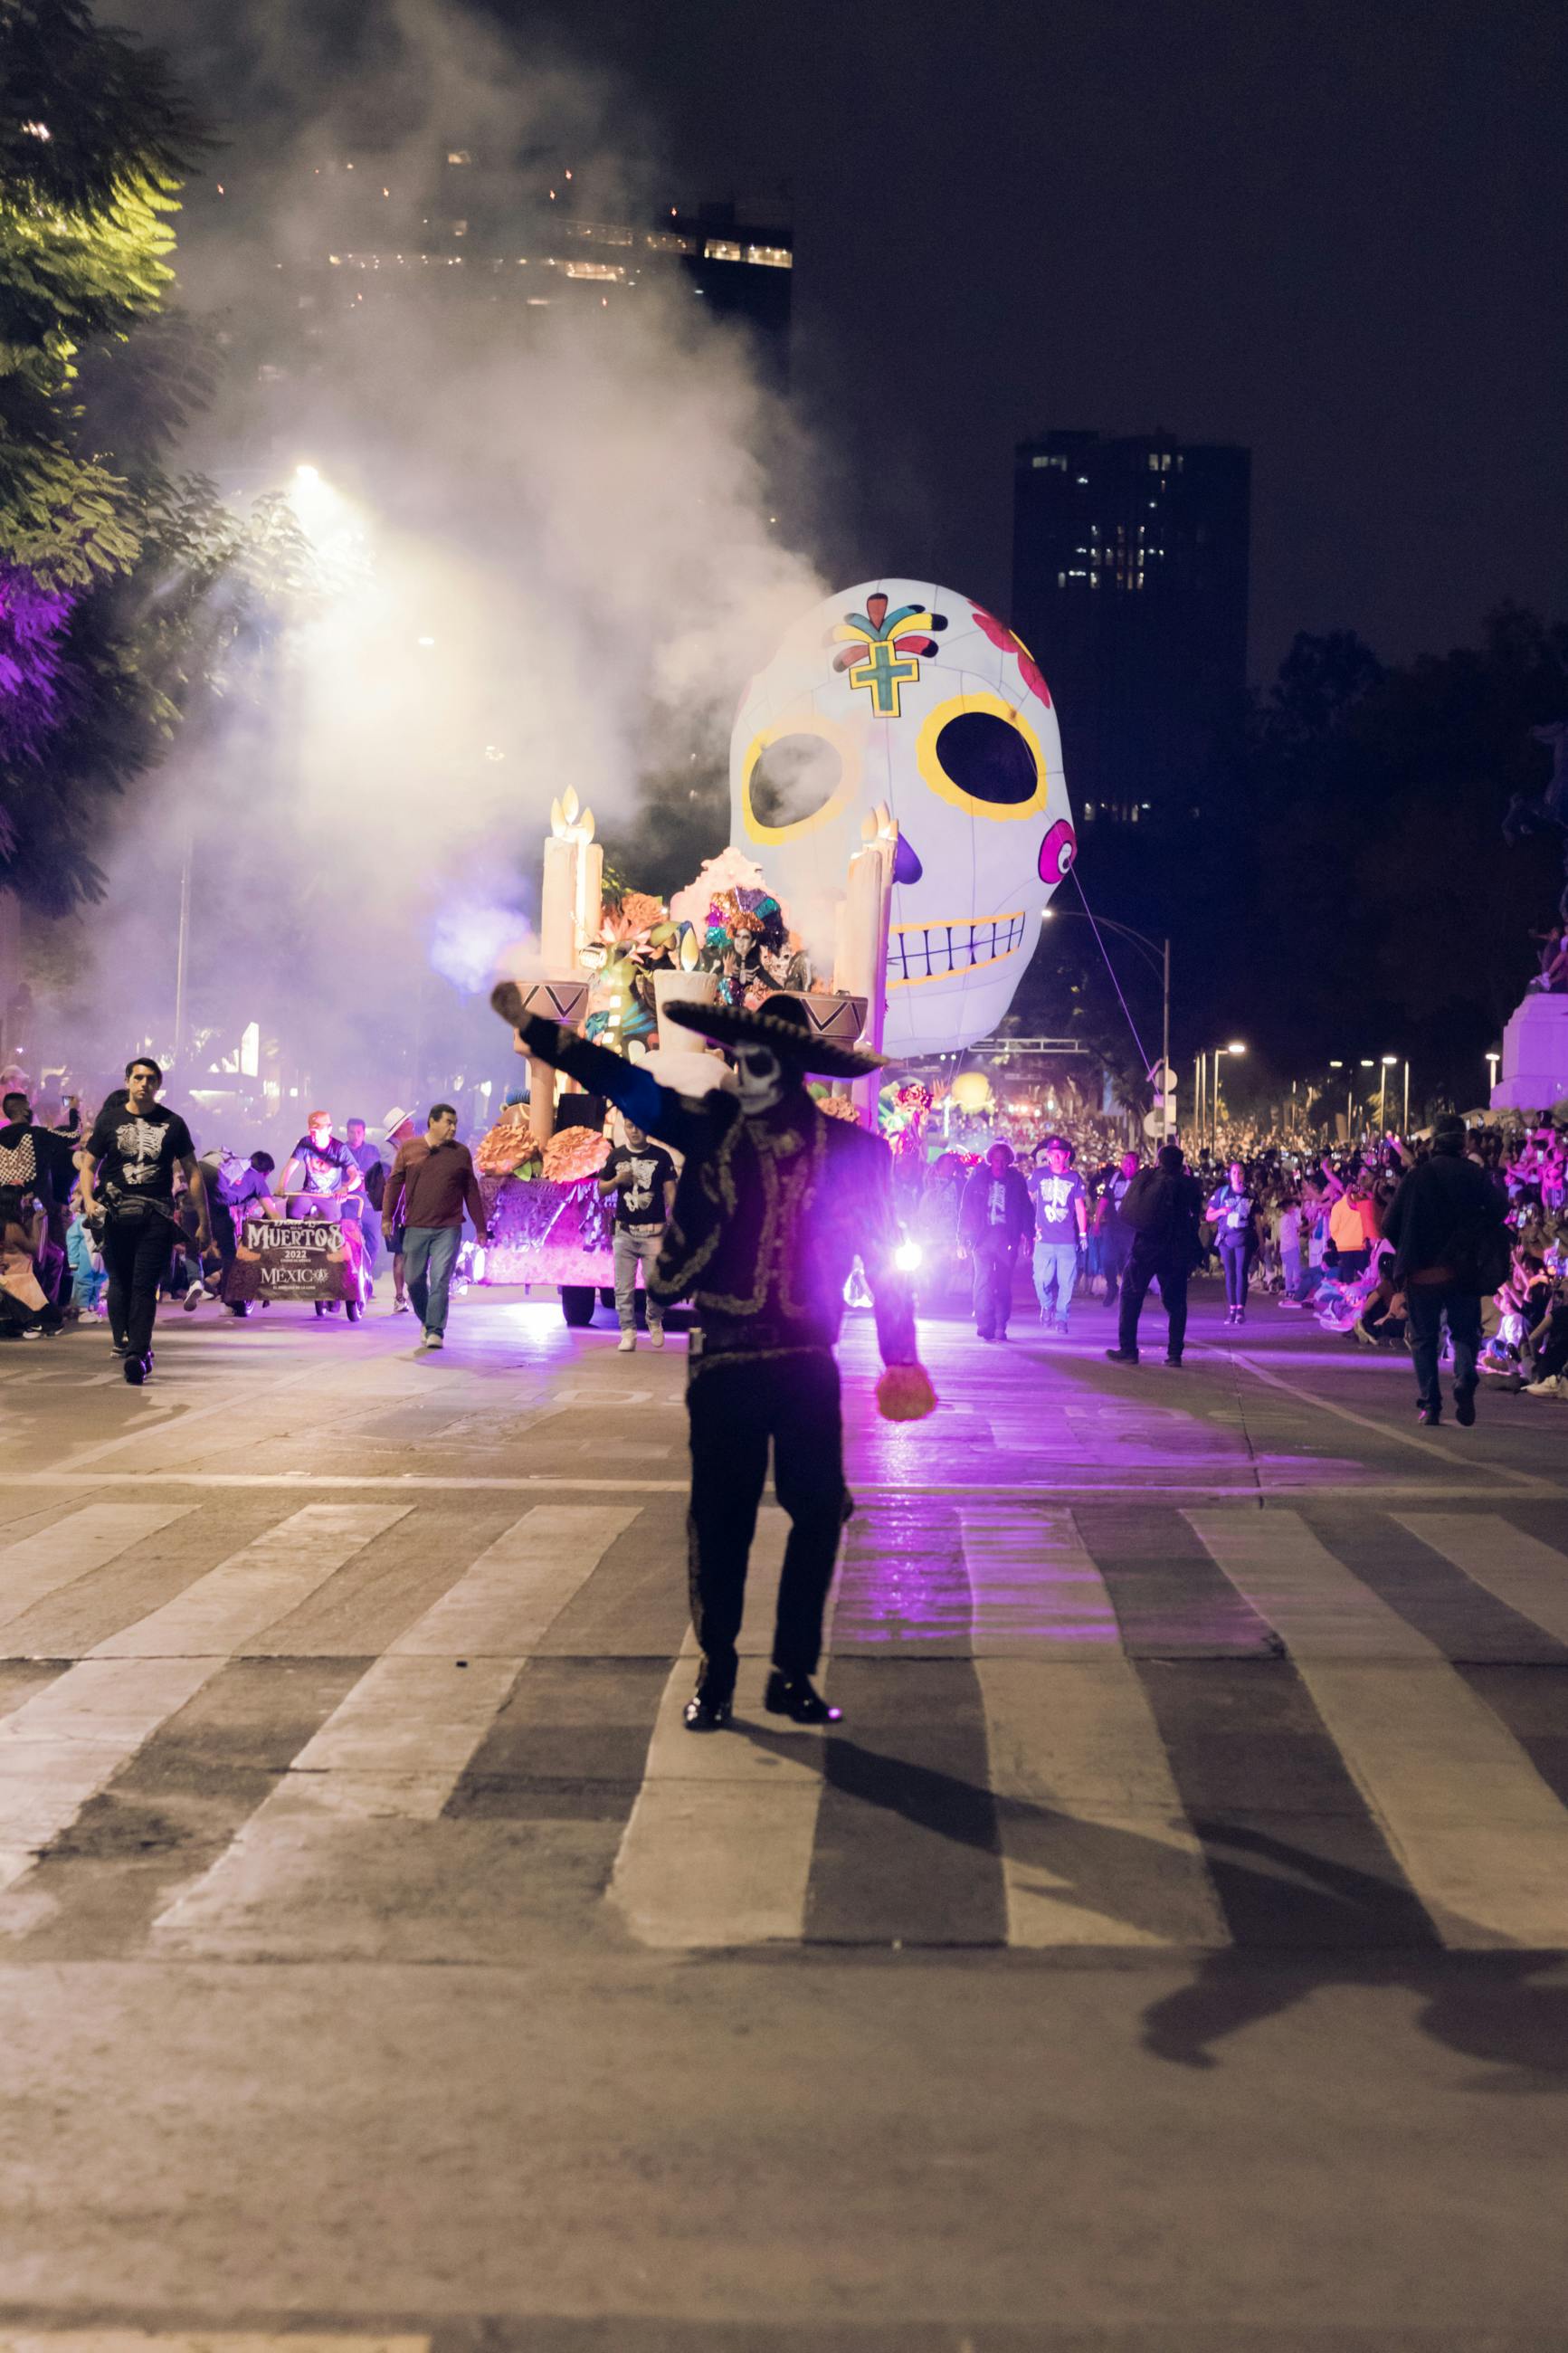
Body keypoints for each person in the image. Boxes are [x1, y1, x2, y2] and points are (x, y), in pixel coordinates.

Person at [493, 980, 935, 1732]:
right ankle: (717, 1669)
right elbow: (621, 1080)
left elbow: (884, 1253)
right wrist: (540, 1032)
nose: (738, 1072)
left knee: (819, 1509)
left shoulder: (854, 1152)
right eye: (738, 1057)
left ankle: (791, 1671)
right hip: (724, 1358)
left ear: (785, 1068)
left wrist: (901, 1356)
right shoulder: (709, 1128)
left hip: (804, 1358)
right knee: (720, 1518)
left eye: (752, 1060)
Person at [78, 1057, 211, 1384]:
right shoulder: (109, 1121)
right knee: (120, 1281)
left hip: (155, 1214)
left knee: (144, 1283)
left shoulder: (173, 1123)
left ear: (158, 1084)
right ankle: (124, 1340)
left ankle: (137, 1353)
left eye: (151, 1078)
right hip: (114, 1213)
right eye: (138, 1077)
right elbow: (89, 1165)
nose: (144, 1083)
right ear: (127, 1081)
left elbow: (192, 1171)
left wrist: (203, 1220)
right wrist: (89, 1200)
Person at [1382, 1110, 1508, 1426]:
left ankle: (1431, 1405)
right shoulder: (1474, 1175)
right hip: (1462, 1270)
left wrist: (1409, 1247)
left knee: (1424, 1338)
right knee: (1464, 1332)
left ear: (1434, 1142)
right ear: (1462, 1142)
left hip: (1422, 1273)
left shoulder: (1416, 1177)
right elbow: (1500, 1209)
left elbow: (1388, 1224)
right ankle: (1464, 1377)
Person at [380, 1103, 487, 1352]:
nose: (453, 1128)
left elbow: (471, 1191)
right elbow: (394, 1185)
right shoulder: (409, 1149)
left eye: (455, 1123)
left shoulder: (460, 1153)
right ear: (432, 1122)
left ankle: (436, 1330)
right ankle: (427, 1321)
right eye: (448, 1122)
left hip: (448, 1228)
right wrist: (387, 1218)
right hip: (415, 1227)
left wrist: (480, 1227)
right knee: (414, 1279)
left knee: (440, 1280)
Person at [1105, 1142, 1203, 1367]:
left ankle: (1128, 1350)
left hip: (1147, 1247)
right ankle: (1175, 1354)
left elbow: (1131, 1209)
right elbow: (1196, 1214)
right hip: (1176, 1250)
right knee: (1176, 1303)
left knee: (1131, 1296)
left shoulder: (1151, 1179)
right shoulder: (1189, 1184)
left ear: (1159, 1161)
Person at [598, 1118, 677, 1351]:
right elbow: (601, 1189)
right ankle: (628, 1332)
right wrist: (616, 1180)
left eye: (639, 1126)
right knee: (623, 1288)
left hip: (654, 1233)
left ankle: (654, 1320)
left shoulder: (661, 1157)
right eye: (630, 1126)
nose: (634, 1131)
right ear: (624, 1127)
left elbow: (671, 1192)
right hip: (624, 1232)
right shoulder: (616, 1156)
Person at [959, 1141, 1034, 1342]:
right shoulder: (978, 1180)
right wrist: (962, 1238)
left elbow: (1026, 1209)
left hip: (1006, 1238)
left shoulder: (1016, 1181)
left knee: (1002, 1283)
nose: (999, 1164)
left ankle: (1001, 1324)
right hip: (981, 1238)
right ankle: (985, 1323)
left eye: (1003, 1160)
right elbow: (966, 1210)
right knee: (982, 1281)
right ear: (990, 1160)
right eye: (996, 1160)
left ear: (1009, 1161)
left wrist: (1028, 1235)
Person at [1028, 1135, 1088, 1337]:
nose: (1054, 1158)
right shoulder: (1039, 1175)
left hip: (1067, 1240)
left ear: (1066, 1155)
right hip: (1044, 1239)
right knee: (1040, 1279)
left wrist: (1083, 1234)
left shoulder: (1074, 1178)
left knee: (1067, 1282)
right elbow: (1026, 1198)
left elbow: (1080, 1207)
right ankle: (1046, 1305)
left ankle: (1062, 1317)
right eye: (1051, 1154)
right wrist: (1030, 1224)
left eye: (1059, 1154)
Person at [1206, 1158, 1259, 1327]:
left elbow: (1257, 1220)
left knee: (1241, 1272)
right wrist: (1221, 1211)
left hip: (1243, 1237)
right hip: (1226, 1238)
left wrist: (1261, 1240)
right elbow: (1209, 1216)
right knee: (1230, 1273)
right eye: (1234, 1172)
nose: (1237, 1175)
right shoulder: (1222, 1193)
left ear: (1244, 1175)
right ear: (1229, 1175)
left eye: (1240, 1172)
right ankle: (1232, 1309)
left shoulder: (1251, 1194)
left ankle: (1240, 1310)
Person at [1095, 1149, 1141, 1310]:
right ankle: (1112, 1286)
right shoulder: (1114, 1179)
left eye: (1131, 1163)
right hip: (1112, 1227)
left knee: (1128, 1262)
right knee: (1107, 1258)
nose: (1127, 1166)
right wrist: (1096, 1221)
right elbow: (1104, 1200)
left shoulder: (1140, 1181)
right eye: (1125, 1162)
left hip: (1132, 1229)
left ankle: (1128, 1293)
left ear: (1137, 1165)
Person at [344, 1118, 386, 1272]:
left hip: (371, 1206)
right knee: (349, 1244)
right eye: (352, 1132)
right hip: (349, 1206)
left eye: (359, 1132)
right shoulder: (341, 1151)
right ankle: (351, 1278)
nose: (355, 1136)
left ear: (364, 1133)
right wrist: (350, 1184)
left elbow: (382, 1174)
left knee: (374, 1245)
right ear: (347, 1133)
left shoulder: (373, 1151)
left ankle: (366, 1275)